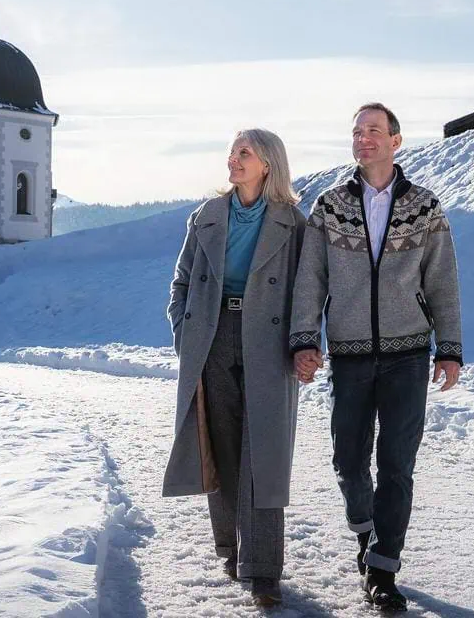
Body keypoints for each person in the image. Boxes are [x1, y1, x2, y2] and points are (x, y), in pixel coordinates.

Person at [290, 103, 464, 612]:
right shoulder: (329, 206)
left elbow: (443, 283)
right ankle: (366, 533)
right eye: (357, 132)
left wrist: (448, 348)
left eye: (374, 131)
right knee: (348, 459)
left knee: (396, 465)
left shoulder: (425, 207)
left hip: (408, 354)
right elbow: (310, 279)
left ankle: (384, 568)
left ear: (396, 140)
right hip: (348, 355)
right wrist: (307, 338)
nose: (364, 139)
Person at [163, 128, 308, 607]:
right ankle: (230, 548)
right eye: (232, 151)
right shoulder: (206, 215)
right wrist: (186, 336)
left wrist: (305, 343)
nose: (233, 159)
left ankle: (264, 569)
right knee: (221, 446)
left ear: (267, 163)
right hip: (212, 336)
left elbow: (307, 294)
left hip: (269, 343)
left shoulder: (293, 221)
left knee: (263, 454)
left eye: (243, 152)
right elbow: (180, 284)